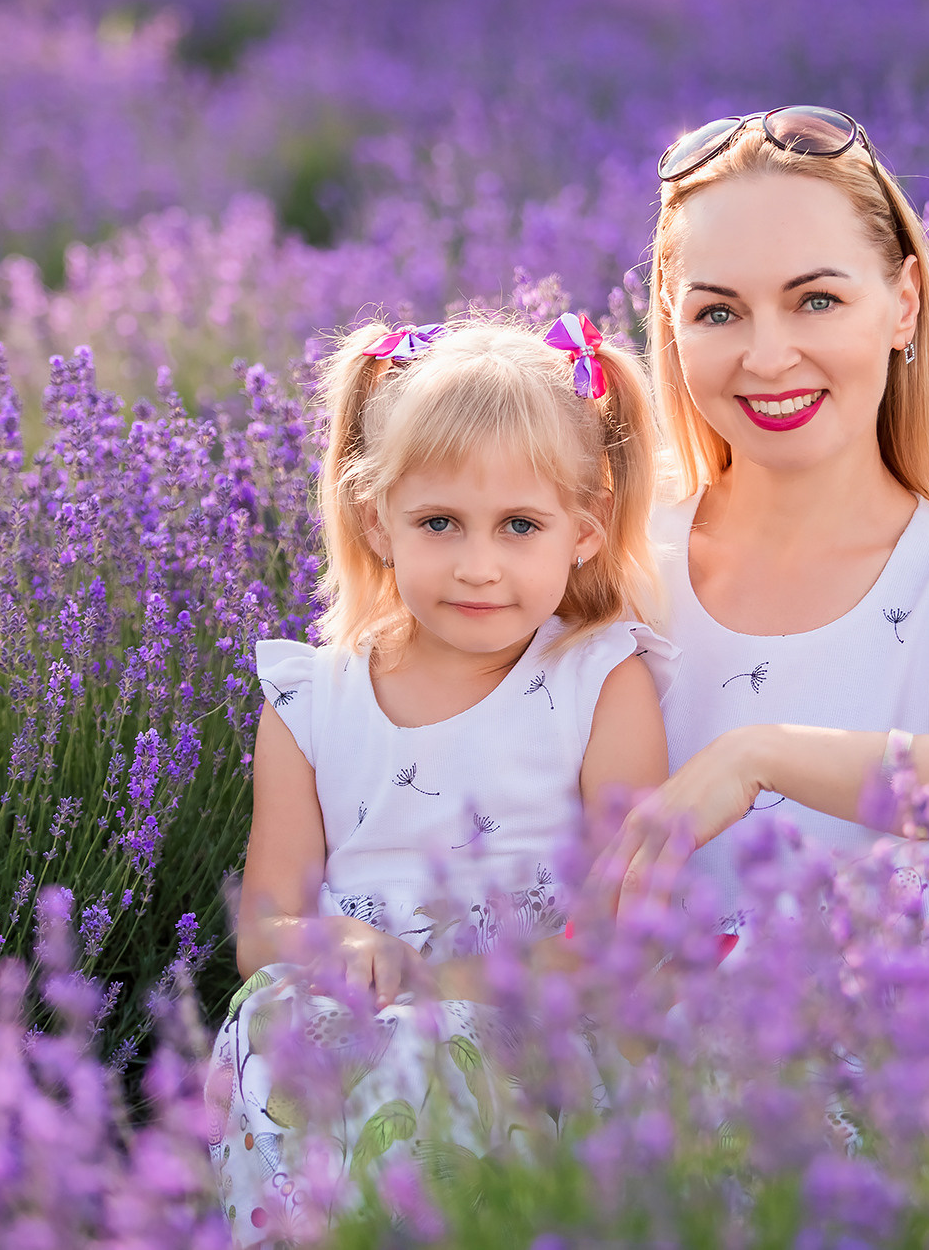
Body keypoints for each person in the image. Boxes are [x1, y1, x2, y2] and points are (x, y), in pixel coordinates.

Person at [209, 315, 672, 1245]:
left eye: (519, 526)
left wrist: (437, 983)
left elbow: (621, 932)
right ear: (377, 518)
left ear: (583, 532)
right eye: (439, 522)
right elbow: (262, 926)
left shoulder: (597, 680)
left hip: (525, 1005)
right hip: (353, 1008)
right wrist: (330, 938)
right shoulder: (313, 698)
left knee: (437, 1053)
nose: (477, 565)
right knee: (282, 1027)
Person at [591, 106, 929, 932]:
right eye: (718, 312)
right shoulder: (615, 563)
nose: (767, 356)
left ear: (904, 304)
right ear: (671, 324)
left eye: (816, 300)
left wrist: (765, 755)